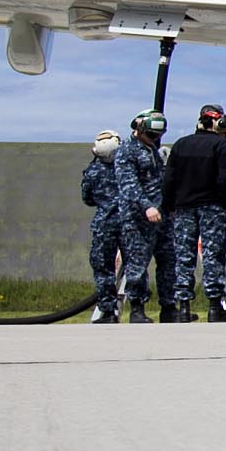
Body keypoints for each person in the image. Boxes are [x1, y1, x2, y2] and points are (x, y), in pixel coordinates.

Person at [160, 102, 226, 321]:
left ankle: (184, 307)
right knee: (213, 255)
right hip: (212, 208)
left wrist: (168, 206)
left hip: (183, 208)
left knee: (183, 256)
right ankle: (215, 307)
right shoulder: (223, 147)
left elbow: (168, 180)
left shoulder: (180, 146)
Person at [106, 111, 173, 321]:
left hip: (161, 215)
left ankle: (169, 307)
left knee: (169, 260)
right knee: (137, 263)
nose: (154, 139)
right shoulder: (127, 151)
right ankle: (137, 308)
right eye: (151, 134)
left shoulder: (152, 150)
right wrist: (146, 207)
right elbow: (128, 185)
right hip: (138, 217)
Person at [81, 128, 128, 320]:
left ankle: (107, 310)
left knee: (103, 268)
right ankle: (138, 309)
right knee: (134, 267)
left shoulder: (92, 171)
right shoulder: (127, 169)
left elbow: (87, 198)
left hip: (104, 223)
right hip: (128, 223)